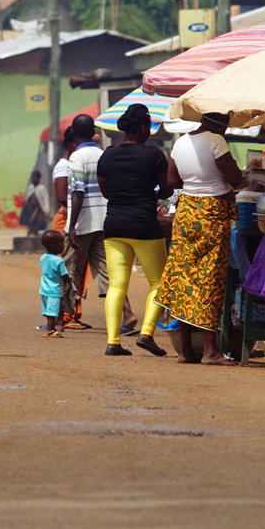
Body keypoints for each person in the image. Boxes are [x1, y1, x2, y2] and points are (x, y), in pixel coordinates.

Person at [154, 112, 242, 366]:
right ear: (218, 123)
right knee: (209, 280)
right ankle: (210, 351)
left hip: (185, 214)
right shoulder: (216, 141)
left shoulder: (180, 142)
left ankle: (185, 351)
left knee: (185, 278)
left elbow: (172, 182)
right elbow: (235, 179)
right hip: (211, 215)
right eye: (225, 124)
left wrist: (195, 181)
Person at [96, 104, 171, 358]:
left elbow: (106, 191)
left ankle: (113, 341)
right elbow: (167, 188)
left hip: (114, 225)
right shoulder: (154, 155)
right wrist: (152, 197)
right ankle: (147, 333)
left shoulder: (107, 155)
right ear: (141, 127)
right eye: (148, 126)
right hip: (145, 226)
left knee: (117, 286)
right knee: (158, 282)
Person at [65, 114, 138, 333]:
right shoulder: (103, 154)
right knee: (107, 272)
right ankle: (127, 314)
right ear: (94, 133)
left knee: (69, 270)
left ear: (73, 134)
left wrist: (72, 226)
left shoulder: (77, 157)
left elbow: (78, 193)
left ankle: (62, 317)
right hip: (104, 220)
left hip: (83, 222)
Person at [51, 127, 88, 328]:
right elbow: (61, 197)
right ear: (69, 143)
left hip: (76, 218)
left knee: (77, 268)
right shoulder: (63, 166)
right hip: (66, 218)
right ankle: (60, 315)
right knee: (65, 267)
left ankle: (71, 312)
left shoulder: (76, 163)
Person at [37, 230, 72, 338]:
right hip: (55, 290)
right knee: (52, 312)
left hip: (44, 289)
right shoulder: (59, 260)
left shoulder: (43, 258)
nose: (64, 246)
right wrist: (69, 280)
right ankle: (50, 331)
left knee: (48, 311)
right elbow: (65, 275)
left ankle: (51, 328)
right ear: (55, 246)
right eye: (62, 244)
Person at [21, 170, 46, 236]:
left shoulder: (42, 188)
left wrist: (45, 208)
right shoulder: (30, 187)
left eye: (34, 177)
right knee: (31, 221)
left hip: (38, 208)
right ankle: (33, 232)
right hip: (30, 208)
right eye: (32, 177)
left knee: (32, 220)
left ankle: (35, 233)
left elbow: (45, 199)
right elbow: (27, 197)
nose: (33, 179)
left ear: (38, 178)